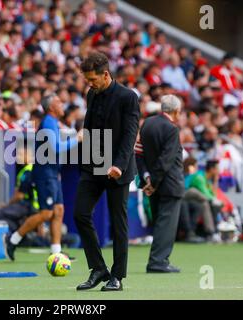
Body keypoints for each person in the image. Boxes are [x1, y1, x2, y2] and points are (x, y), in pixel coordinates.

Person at [74, 52, 139, 291]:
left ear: (106, 74)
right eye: (87, 80)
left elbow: (130, 133)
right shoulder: (92, 93)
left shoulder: (128, 97)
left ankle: (117, 277)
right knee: (80, 214)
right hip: (93, 165)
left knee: (118, 222)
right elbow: (90, 126)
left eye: (93, 79)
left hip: (117, 168)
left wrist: (119, 165)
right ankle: (99, 269)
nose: (90, 84)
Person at [4, 94, 82, 261]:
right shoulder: (48, 122)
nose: (62, 105)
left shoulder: (53, 122)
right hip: (44, 173)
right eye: (59, 102)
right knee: (46, 213)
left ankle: (56, 252)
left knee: (58, 211)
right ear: (51, 107)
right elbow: (56, 147)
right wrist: (77, 139)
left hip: (53, 172)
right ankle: (12, 239)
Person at [135, 94, 184, 273]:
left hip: (152, 184)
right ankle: (158, 261)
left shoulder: (147, 123)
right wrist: (154, 181)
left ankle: (157, 259)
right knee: (167, 225)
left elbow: (138, 153)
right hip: (169, 184)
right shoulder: (172, 129)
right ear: (176, 111)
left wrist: (146, 178)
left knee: (159, 223)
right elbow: (166, 160)